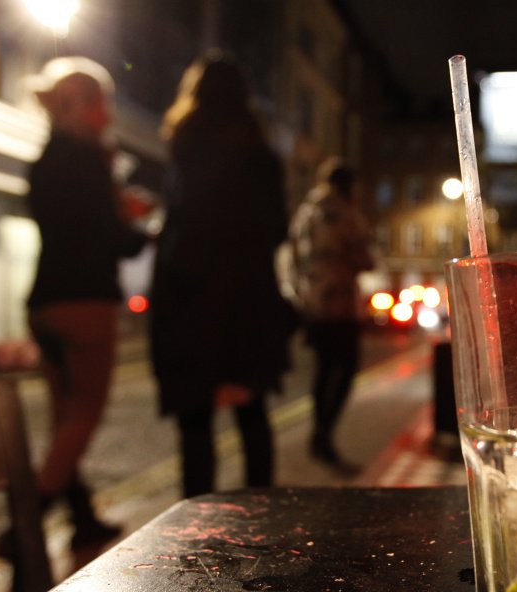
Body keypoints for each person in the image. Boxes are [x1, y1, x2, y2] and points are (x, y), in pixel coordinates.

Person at [150, 50, 293, 497]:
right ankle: (261, 513)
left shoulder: (186, 146)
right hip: (248, 298)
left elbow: (183, 226)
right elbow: (277, 228)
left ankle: (196, 528)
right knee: (251, 413)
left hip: (191, 296)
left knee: (195, 421)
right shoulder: (261, 156)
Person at [24, 57, 149, 549]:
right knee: (84, 416)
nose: (110, 113)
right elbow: (115, 241)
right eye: (104, 102)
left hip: (43, 302)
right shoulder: (90, 161)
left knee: (63, 419)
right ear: (87, 106)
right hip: (85, 303)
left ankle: (81, 517)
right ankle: (25, 522)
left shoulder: (45, 160)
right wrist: (135, 220)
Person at [288, 157, 374, 470]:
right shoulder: (343, 213)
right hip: (338, 303)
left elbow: (292, 256)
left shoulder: (306, 211)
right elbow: (363, 258)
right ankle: (323, 436)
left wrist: (301, 292)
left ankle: (319, 435)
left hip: (313, 302)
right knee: (346, 371)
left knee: (323, 372)